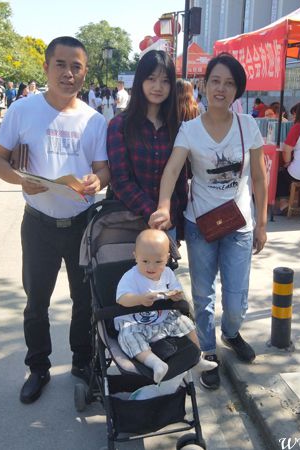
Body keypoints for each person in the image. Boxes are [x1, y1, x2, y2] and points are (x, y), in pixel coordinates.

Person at [0, 36, 110, 405]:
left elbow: (103, 169)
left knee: (83, 300)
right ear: (46, 67)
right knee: (36, 300)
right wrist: (20, 180)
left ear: (85, 73)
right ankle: (38, 367)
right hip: (38, 224)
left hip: (81, 223)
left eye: (76, 67)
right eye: (61, 64)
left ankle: (81, 362)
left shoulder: (94, 120)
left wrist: (97, 181)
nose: (68, 73)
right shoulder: (22, 110)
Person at [149, 52, 268, 390]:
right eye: (215, 81)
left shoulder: (248, 126)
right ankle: (208, 350)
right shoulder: (189, 130)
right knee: (202, 297)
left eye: (229, 83)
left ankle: (231, 332)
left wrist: (261, 223)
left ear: (237, 90)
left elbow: (259, 178)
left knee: (236, 298)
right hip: (200, 225)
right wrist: (163, 207)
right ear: (204, 85)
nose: (221, 89)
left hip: (239, 226)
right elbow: (172, 170)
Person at [116, 229, 218, 383]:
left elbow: (177, 290)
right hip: (135, 322)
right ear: (135, 256)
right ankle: (155, 363)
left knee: (186, 323)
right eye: (145, 261)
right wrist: (140, 299)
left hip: (163, 318)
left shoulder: (168, 273)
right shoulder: (131, 276)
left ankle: (197, 358)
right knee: (127, 337)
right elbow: (122, 299)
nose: (151, 267)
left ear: (167, 258)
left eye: (158, 262)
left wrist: (176, 295)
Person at [107, 50, 187, 237]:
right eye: (151, 79)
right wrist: (154, 212)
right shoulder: (120, 125)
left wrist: (178, 220)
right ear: (140, 80)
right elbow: (120, 180)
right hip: (128, 222)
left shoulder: (176, 127)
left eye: (165, 81)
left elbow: (180, 179)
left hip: (167, 224)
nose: (158, 87)